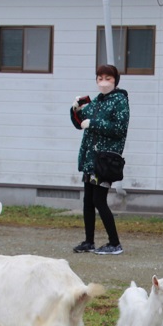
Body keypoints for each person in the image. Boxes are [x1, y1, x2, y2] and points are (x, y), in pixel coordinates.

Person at [71, 64, 129, 256]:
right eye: (100, 78)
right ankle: (89, 241)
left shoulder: (120, 100)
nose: (103, 82)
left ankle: (115, 242)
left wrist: (93, 124)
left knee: (98, 199)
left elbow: (119, 128)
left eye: (108, 78)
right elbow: (81, 123)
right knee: (88, 200)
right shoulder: (98, 101)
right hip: (91, 159)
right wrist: (75, 110)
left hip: (105, 161)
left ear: (115, 80)